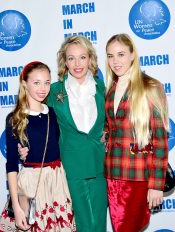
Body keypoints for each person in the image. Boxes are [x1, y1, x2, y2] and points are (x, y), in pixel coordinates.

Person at [20, 36, 108, 231]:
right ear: (64, 61)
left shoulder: (103, 89)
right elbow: (31, 119)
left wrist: (109, 133)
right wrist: (23, 145)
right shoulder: (52, 91)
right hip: (69, 169)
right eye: (71, 58)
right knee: (81, 225)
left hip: (100, 166)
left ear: (90, 59)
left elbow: (114, 121)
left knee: (99, 225)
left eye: (82, 57)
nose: (77, 64)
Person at [0, 61, 75, 232]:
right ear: (24, 84)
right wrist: (16, 205)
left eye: (47, 82)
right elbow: (11, 166)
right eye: (36, 82)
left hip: (57, 182)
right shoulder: (15, 118)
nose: (43, 88)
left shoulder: (54, 113)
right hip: (30, 184)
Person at [104, 34, 169, 232]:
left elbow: (160, 139)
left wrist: (156, 184)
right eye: (110, 56)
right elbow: (110, 129)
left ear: (133, 55)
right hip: (111, 174)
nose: (116, 61)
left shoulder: (150, 86)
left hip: (137, 175)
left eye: (121, 54)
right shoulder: (110, 89)